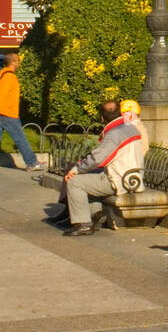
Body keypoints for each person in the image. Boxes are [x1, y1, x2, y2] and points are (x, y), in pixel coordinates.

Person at [50, 99, 147, 236]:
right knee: (84, 175)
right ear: (120, 112)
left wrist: (77, 169)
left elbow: (98, 159)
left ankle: (83, 223)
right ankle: (95, 214)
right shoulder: (129, 127)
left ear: (102, 117)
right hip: (132, 177)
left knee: (75, 181)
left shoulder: (115, 133)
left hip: (120, 180)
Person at [0, 51, 46, 173]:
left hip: (4, 112)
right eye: (18, 60)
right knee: (20, 138)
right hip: (7, 113)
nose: (19, 62)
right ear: (13, 62)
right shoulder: (9, 76)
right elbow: (2, 95)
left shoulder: (3, 74)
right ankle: (32, 162)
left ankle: (32, 162)